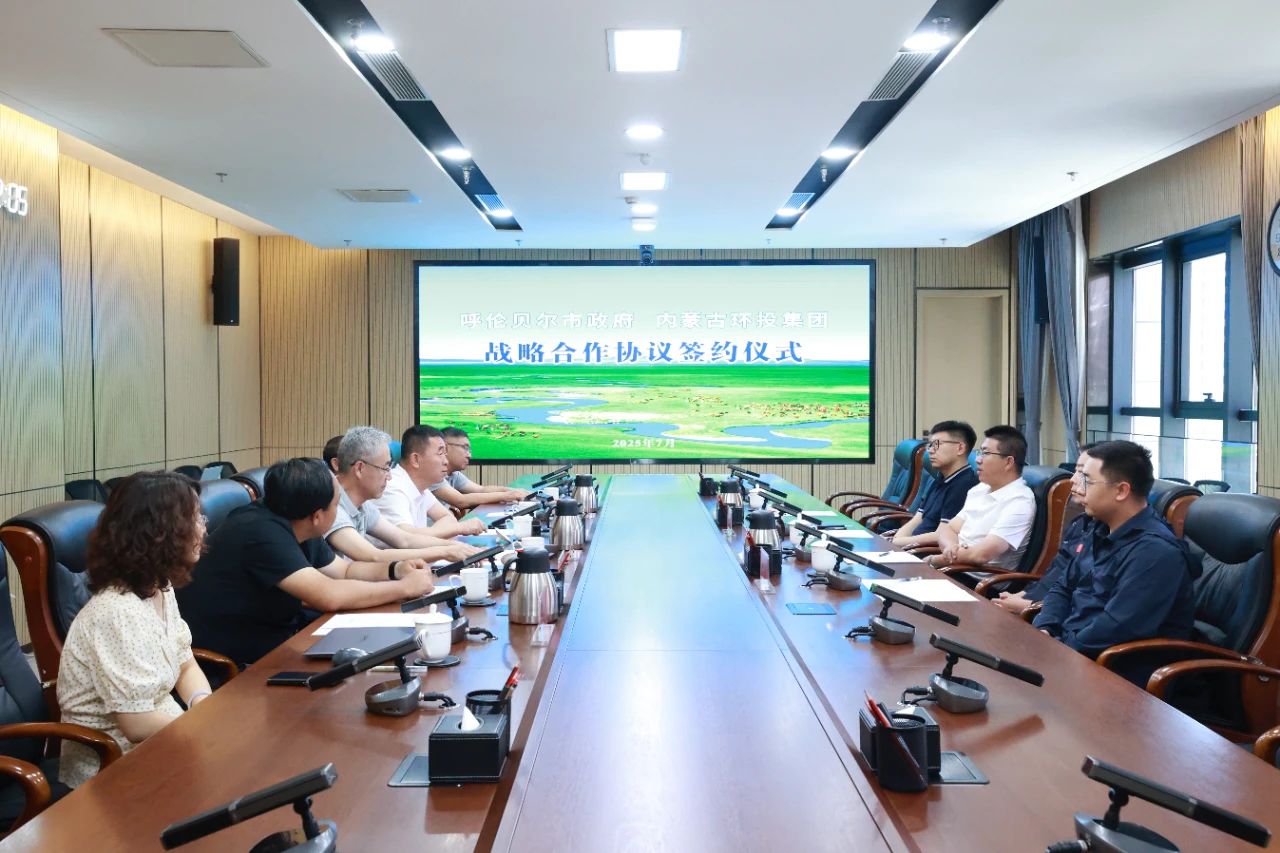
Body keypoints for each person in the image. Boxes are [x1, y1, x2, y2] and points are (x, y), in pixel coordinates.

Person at [177, 458, 437, 667]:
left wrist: (395, 570)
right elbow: (328, 595)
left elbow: (345, 570)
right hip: (237, 654)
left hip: (279, 632)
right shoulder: (259, 531)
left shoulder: (295, 516)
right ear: (317, 516)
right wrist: (404, 588)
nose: (338, 511)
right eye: (336, 505)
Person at [57, 472, 213, 788]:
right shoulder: (115, 613)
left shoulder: (160, 587)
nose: (203, 527)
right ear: (160, 534)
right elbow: (136, 724)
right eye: (194, 519)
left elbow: (185, 664)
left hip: (168, 741)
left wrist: (203, 706)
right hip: (113, 768)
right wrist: (201, 730)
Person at [1033, 440, 1199, 662]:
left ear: (1121, 490)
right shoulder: (1099, 528)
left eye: (1087, 479)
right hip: (1071, 650)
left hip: (1111, 667)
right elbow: (1063, 587)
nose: (1076, 483)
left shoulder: (1155, 552)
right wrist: (1045, 629)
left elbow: (1115, 628)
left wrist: (1058, 649)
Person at [326, 426, 481, 563]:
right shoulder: (331, 506)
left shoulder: (364, 505)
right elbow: (373, 556)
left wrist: (455, 547)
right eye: (385, 468)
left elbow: (404, 540)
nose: (389, 476)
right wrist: (445, 551)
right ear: (360, 468)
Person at [993, 444, 1097, 616]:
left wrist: (1029, 606)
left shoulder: (1119, 540)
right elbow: (1055, 574)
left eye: (1083, 474)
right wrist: (1023, 595)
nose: (1073, 479)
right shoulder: (1080, 523)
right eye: (1076, 471)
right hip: (1041, 608)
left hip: (1049, 615)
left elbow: (1085, 603)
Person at [926, 425, 1035, 571]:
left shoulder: (1020, 502)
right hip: (953, 566)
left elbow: (979, 555)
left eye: (986, 453)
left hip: (975, 578)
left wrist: (933, 560)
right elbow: (948, 529)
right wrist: (951, 548)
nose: (978, 459)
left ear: (1008, 462)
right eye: (980, 452)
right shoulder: (980, 489)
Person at [375, 425, 485, 538]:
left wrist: (431, 534)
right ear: (415, 460)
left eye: (445, 454)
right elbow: (406, 536)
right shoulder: (392, 487)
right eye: (440, 453)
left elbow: (447, 517)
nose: (446, 461)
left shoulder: (421, 486)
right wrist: (460, 528)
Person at [891, 420, 978, 549]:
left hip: (925, 553)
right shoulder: (940, 479)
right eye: (930, 445)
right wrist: (896, 540)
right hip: (910, 548)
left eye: (937, 444)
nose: (930, 451)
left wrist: (898, 543)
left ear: (960, 448)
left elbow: (941, 535)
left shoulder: (964, 486)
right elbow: (918, 518)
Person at [430, 427, 530, 510]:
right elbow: (461, 501)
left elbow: (481, 490)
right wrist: (506, 496)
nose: (469, 455)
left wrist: (513, 491)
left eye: (469, 450)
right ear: (445, 448)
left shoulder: (454, 474)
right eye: (465, 448)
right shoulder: (431, 474)